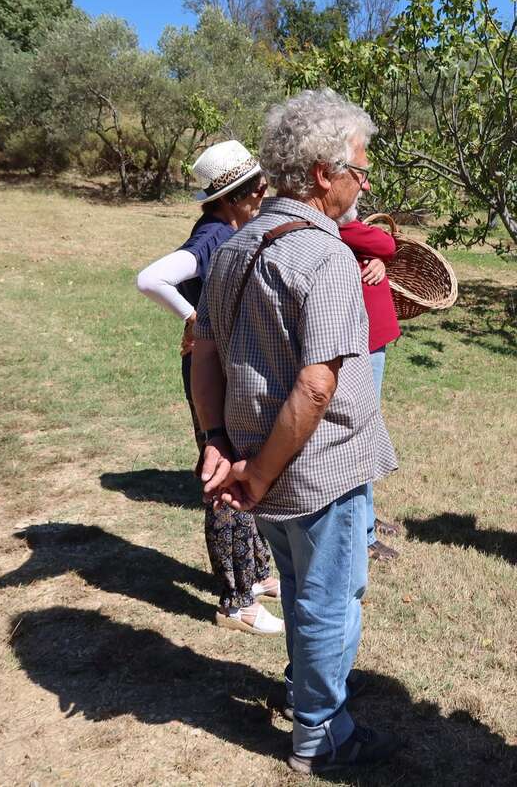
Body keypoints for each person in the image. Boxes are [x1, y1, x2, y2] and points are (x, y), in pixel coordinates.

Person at [191, 89, 400, 775]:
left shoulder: (234, 245)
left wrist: (218, 440)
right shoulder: (326, 255)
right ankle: (320, 733)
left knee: (305, 586)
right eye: (359, 171)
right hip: (314, 471)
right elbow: (316, 385)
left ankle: (309, 691)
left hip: (264, 467)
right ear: (321, 172)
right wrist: (258, 470)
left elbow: (205, 351)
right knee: (327, 598)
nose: (363, 183)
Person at [136, 140, 283, 635]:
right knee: (223, 476)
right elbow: (151, 279)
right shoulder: (214, 236)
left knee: (243, 465)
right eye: (254, 187)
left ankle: (257, 573)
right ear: (231, 196)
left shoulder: (230, 228)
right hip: (211, 377)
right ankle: (235, 601)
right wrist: (195, 318)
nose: (264, 191)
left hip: (228, 371)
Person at [338, 216, 402, 561]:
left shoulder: (350, 227)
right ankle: (363, 533)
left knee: (366, 430)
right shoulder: (340, 224)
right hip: (360, 344)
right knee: (362, 435)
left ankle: (366, 517)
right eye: (358, 177)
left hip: (371, 342)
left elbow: (383, 249)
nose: (364, 186)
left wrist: (375, 259)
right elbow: (388, 243)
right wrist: (377, 252)